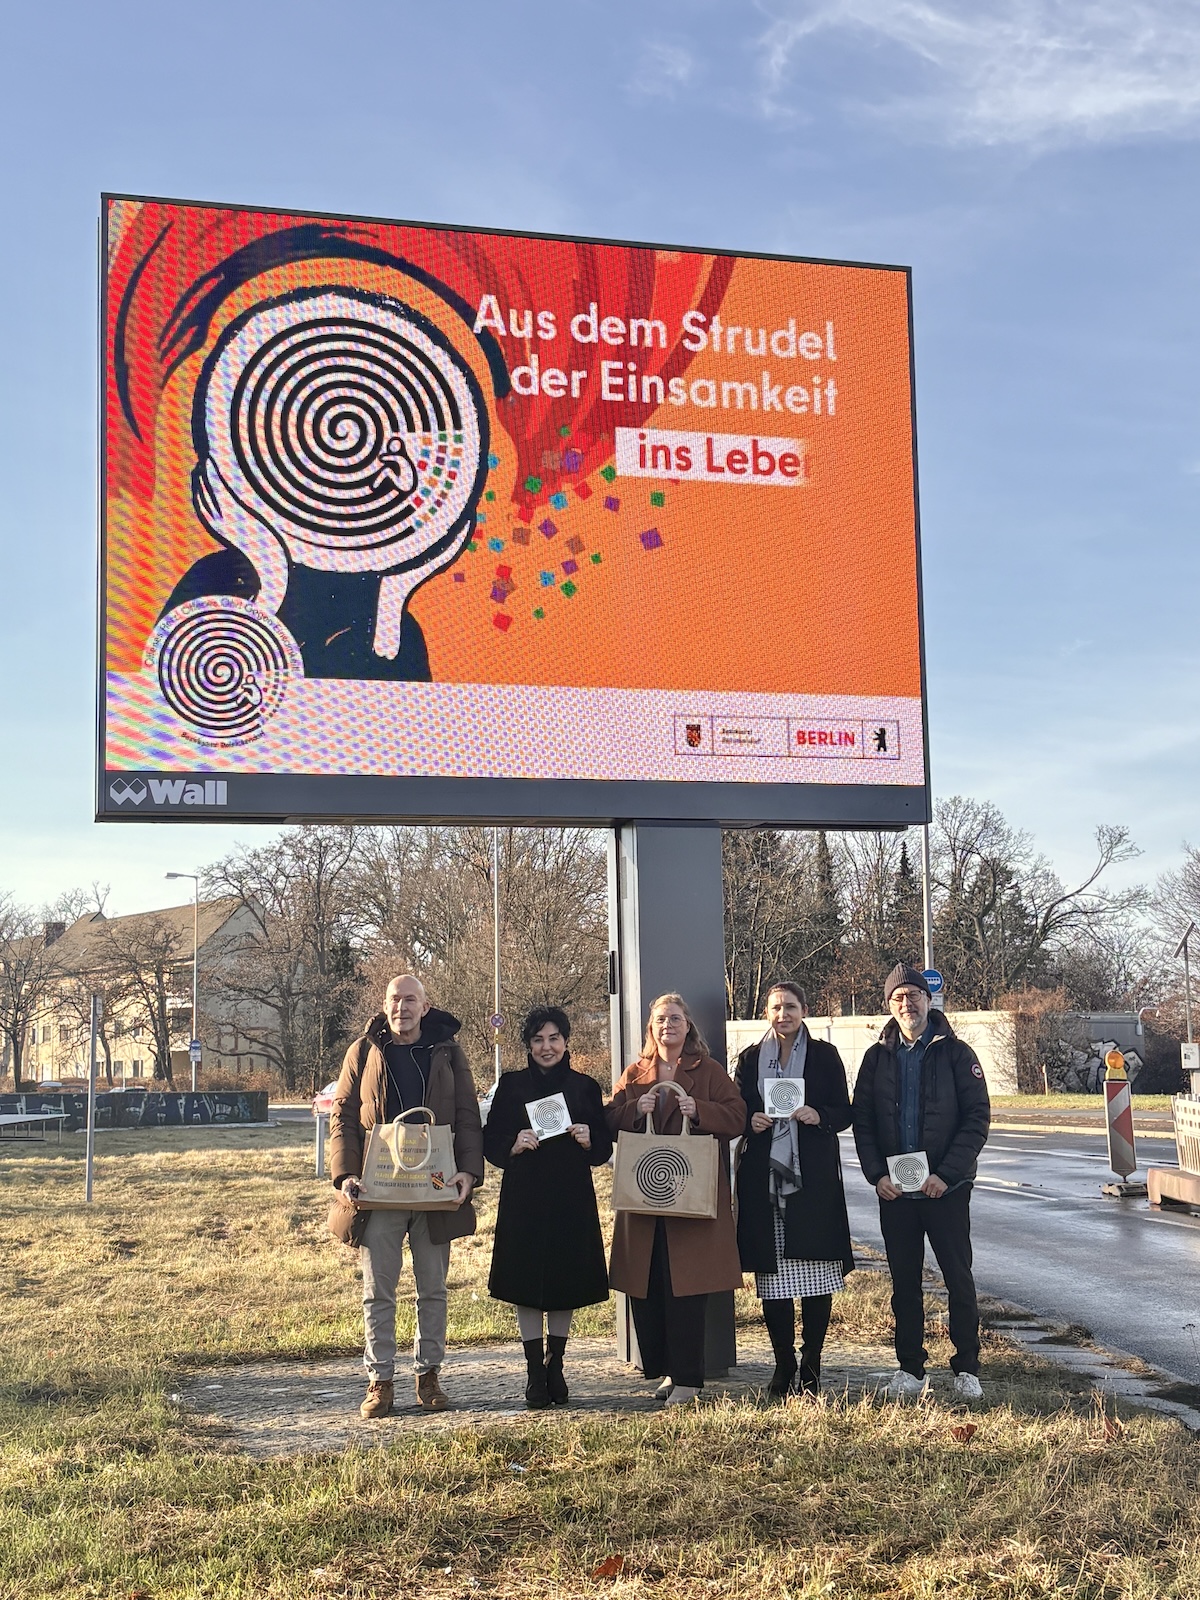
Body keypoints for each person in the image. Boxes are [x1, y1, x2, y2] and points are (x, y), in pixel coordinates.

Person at [330, 975, 483, 1419]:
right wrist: (345, 1174)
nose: (402, 1007)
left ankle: (428, 1374)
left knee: (433, 1288)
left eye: (410, 999)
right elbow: (343, 1114)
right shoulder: (363, 1051)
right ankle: (380, 1380)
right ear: (385, 1004)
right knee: (378, 1290)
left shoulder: (449, 1051)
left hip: (434, 1188)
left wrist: (468, 1172)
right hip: (378, 1189)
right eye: (395, 999)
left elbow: (468, 1114)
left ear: (425, 1006)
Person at [852, 963, 991, 1401]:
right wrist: (876, 1175)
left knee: (958, 1279)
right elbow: (863, 1123)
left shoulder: (957, 1054)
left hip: (946, 1190)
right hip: (896, 1194)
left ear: (928, 1000)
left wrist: (946, 1174)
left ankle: (966, 1368)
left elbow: (977, 1119)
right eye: (898, 997)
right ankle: (910, 1369)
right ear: (888, 1005)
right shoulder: (876, 1058)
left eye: (914, 995)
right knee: (904, 1284)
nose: (906, 1003)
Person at [607, 993, 745, 1406]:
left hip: (691, 1199)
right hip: (646, 1201)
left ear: (688, 1026)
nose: (668, 1025)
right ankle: (668, 1370)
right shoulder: (635, 1074)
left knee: (687, 1290)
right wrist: (636, 1108)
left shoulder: (709, 1071)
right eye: (660, 1019)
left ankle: (688, 1379)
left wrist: (698, 1110)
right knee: (649, 1287)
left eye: (675, 1018)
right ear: (651, 1028)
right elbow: (608, 1121)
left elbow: (737, 1117)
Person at [483, 1006, 613, 1408]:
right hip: (524, 1197)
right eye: (538, 1039)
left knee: (564, 1282)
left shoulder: (585, 1087)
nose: (546, 1047)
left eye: (554, 1038)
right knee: (525, 1283)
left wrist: (590, 1139)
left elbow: (603, 1149)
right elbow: (491, 1141)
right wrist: (512, 1143)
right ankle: (533, 1373)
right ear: (528, 1045)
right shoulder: (511, 1085)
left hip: (571, 1196)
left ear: (566, 1041)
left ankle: (555, 1364)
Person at [734, 981, 854, 1398]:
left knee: (817, 1274)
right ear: (766, 1013)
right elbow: (737, 1109)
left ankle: (812, 1364)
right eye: (775, 1007)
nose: (782, 1014)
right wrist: (750, 1120)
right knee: (773, 1279)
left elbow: (844, 1112)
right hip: (765, 1179)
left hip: (812, 1179)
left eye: (790, 1006)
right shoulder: (750, 1058)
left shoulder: (825, 1056)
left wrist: (818, 1114)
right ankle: (783, 1363)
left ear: (804, 1010)